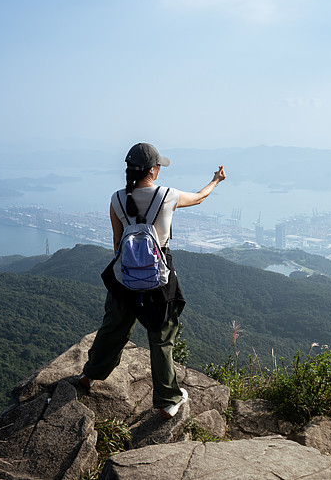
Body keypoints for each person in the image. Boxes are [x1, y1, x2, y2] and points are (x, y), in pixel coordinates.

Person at [80, 142, 226, 419]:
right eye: (158, 166)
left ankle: (89, 375)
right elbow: (198, 197)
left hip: (124, 274)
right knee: (161, 336)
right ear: (153, 170)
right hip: (159, 276)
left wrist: (128, 272)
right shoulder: (167, 195)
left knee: (114, 327)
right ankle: (167, 401)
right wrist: (216, 181)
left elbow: (116, 241)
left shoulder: (117, 198)